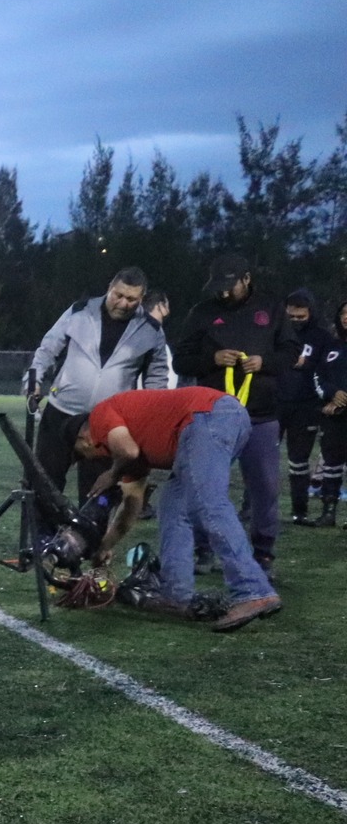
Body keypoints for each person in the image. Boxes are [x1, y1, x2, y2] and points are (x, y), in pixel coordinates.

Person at [73, 386, 283, 631]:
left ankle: (253, 589)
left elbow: (128, 451)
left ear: (84, 438)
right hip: (215, 419)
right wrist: (104, 547)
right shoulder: (128, 450)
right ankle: (176, 594)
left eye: (86, 452)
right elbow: (132, 506)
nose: (95, 457)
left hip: (207, 416)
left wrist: (112, 473)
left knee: (208, 503)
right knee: (173, 507)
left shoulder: (100, 415)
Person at [170, 254, 301, 571]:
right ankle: (203, 549)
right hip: (213, 416)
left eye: (230, 286)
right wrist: (212, 359)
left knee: (265, 488)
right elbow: (181, 361)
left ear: (246, 279)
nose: (224, 293)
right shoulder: (202, 313)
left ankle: (263, 552)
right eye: (219, 287)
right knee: (205, 485)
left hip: (261, 416)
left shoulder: (272, 309)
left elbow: (291, 351)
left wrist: (264, 362)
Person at [25, 266, 169, 498]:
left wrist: (149, 420)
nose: (123, 303)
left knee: (97, 493)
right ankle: (44, 534)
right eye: (118, 295)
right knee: (45, 484)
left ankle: (88, 535)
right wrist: (33, 377)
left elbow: (156, 378)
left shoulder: (151, 330)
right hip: (62, 413)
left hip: (109, 423)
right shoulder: (79, 311)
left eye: (131, 299)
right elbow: (47, 349)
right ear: (109, 288)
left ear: (141, 299)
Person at [278, 290, 333, 526]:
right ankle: (251, 507)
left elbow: (328, 370)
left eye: (301, 317)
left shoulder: (322, 338)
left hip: (306, 407)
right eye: (292, 316)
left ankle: (299, 512)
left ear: (311, 313)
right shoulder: (276, 332)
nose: (296, 321)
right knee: (263, 458)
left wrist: (306, 364)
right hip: (276, 404)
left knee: (298, 462)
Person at [305, 300, 347, 526]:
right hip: (333, 416)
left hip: (340, 408)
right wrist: (331, 394)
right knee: (331, 462)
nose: (346, 317)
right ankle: (328, 512)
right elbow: (317, 376)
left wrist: (344, 399)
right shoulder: (332, 347)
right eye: (343, 312)